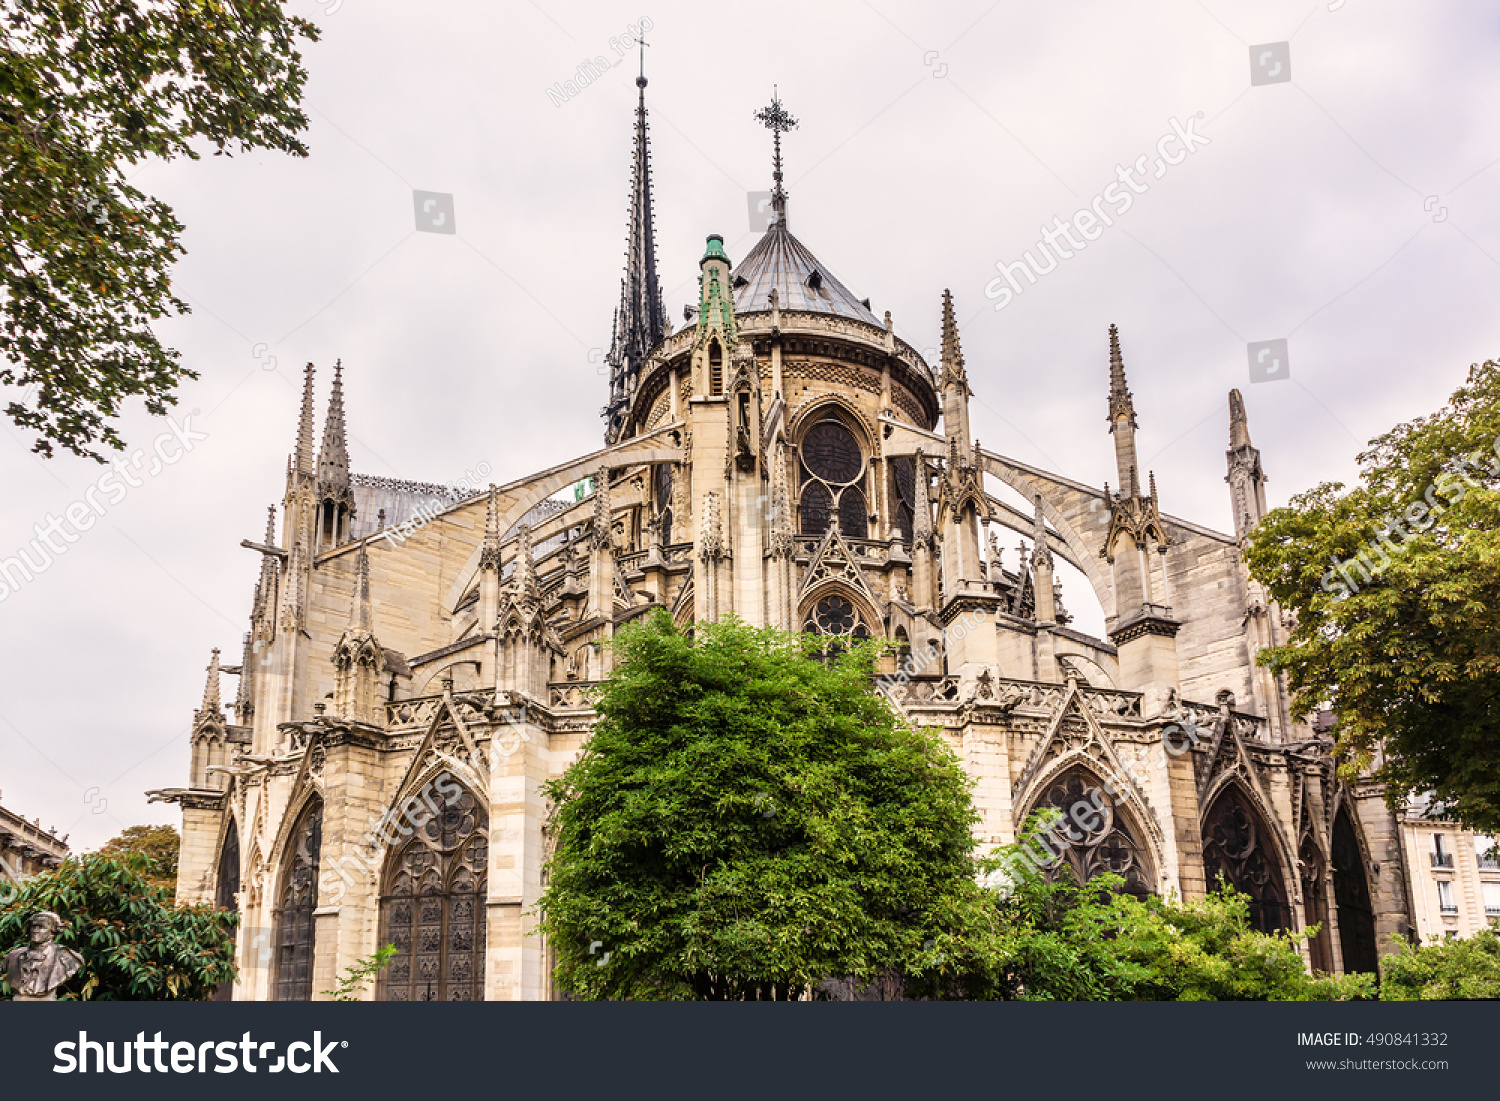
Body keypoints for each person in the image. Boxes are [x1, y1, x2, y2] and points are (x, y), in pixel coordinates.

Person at [4, 910, 84, 1000]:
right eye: (33, 927)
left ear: (53, 931)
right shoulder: (13, 956)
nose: (35, 931)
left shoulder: (67, 957)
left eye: (41, 927)